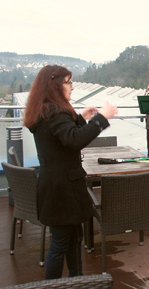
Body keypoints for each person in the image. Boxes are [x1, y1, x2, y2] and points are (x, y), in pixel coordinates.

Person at [23, 65, 117, 279]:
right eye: (69, 82)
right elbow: (74, 140)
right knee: (61, 242)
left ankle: (77, 280)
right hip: (63, 189)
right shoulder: (56, 111)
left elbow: (62, 137)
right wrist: (102, 118)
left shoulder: (44, 109)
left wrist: (81, 117)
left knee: (72, 238)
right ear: (56, 85)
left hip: (55, 185)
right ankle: (54, 284)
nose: (72, 87)